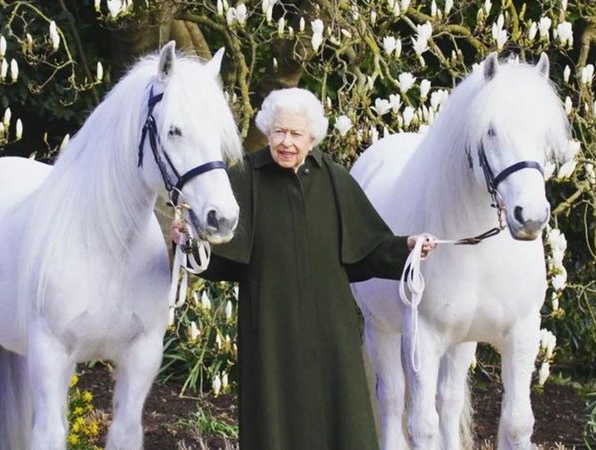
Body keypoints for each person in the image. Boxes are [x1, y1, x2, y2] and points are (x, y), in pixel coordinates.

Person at [171, 87, 436, 450]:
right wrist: (187, 242)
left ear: (312, 138)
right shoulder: (245, 177)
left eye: (296, 134)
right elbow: (217, 257)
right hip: (269, 332)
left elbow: (368, 248)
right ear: (267, 131)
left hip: (332, 334)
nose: (286, 142)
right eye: (279, 131)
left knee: (342, 421)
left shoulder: (333, 178)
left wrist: (406, 247)